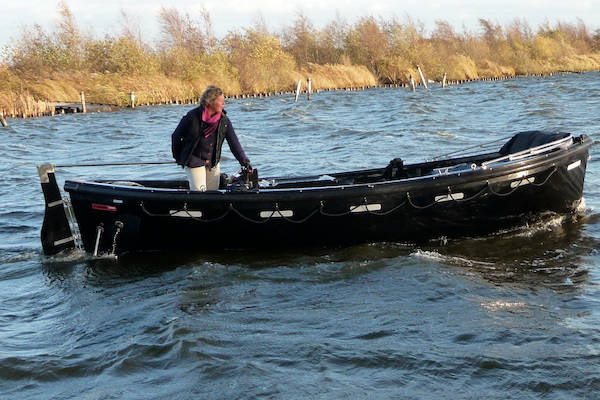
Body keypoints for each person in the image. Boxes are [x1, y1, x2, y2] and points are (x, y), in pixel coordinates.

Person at [171, 85, 251, 191]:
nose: (224, 103)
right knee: (199, 192)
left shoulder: (224, 121)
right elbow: (176, 137)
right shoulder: (192, 117)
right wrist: (179, 157)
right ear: (210, 101)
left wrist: (244, 162)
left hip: (213, 162)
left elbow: (234, 143)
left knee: (213, 193)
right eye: (221, 101)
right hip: (194, 161)